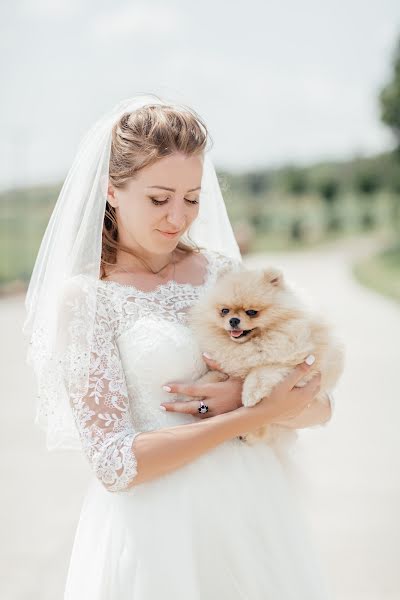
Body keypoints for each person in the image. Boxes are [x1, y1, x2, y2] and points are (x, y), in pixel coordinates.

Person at [23, 93, 335, 599]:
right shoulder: (87, 300)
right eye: (158, 198)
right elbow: (114, 464)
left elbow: (317, 404)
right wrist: (246, 411)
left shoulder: (222, 275)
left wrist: (255, 396)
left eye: (192, 199)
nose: (177, 217)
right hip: (155, 534)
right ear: (111, 191)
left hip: (252, 516)